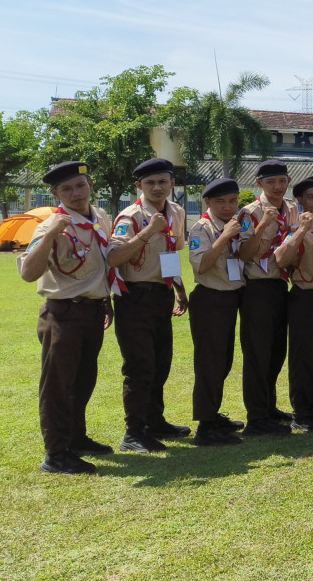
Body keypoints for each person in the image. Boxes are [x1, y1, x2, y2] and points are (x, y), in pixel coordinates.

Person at [18, 161, 115, 474]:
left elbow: (101, 261)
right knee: (58, 386)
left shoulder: (99, 215)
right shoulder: (51, 225)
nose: (75, 193)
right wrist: (49, 237)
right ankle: (56, 454)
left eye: (80, 185)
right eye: (66, 189)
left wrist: (106, 299)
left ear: (90, 184)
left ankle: (76, 437)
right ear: (54, 193)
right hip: (64, 313)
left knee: (83, 380)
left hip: (93, 309)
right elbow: (28, 273)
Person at [106, 157, 190, 453]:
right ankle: (133, 432)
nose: (157, 187)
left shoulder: (176, 212)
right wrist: (147, 232)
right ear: (138, 186)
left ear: (172, 184)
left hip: (161, 294)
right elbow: (114, 259)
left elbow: (170, 253)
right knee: (139, 366)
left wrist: (179, 287)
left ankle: (154, 421)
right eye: (150, 183)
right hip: (134, 296)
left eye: (163, 182)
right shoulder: (130, 217)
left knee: (160, 364)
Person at [237, 160, 299, 436]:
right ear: (258, 183)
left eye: (282, 181)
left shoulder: (293, 209)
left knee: (276, 352)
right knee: (257, 354)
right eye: (271, 181)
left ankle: (269, 407)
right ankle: (256, 417)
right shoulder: (249, 212)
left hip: (279, 285)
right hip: (256, 288)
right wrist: (263, 226)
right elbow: (244, 254)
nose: (278, 187)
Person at [187, 178, 246, 447]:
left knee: (223, 361)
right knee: (209, 362)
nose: (227, 206)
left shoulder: (233, 224)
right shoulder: (202, 228)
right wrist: (224, 237)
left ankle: (213, 414)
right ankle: (205, 426)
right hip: (210, 299)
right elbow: (202, 265)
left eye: (232, 201)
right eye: (220, 202)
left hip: (230, 298)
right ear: (207, 203)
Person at [274, 175, 313, 433]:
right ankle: (303, 412)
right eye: (311, 197)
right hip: (306, 296)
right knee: (306, 357)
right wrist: (300, 230)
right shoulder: (294, 228)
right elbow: (280, 259)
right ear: (300, 200)